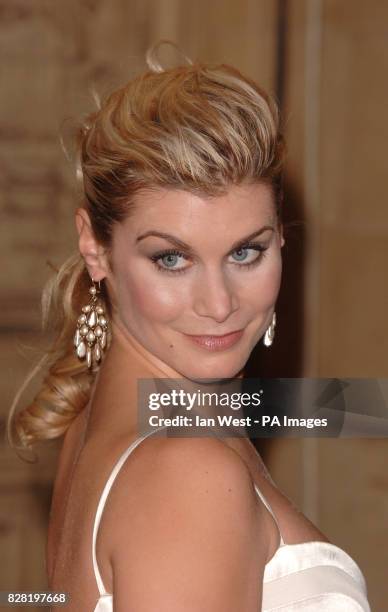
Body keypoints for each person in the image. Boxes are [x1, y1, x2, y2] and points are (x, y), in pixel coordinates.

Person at [8, 42, 371, 611]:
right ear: (94, 248)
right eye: (171, 259)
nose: (219, 303)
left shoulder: (108, 422)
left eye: (246, 253)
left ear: (281, 236)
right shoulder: (188, 472)